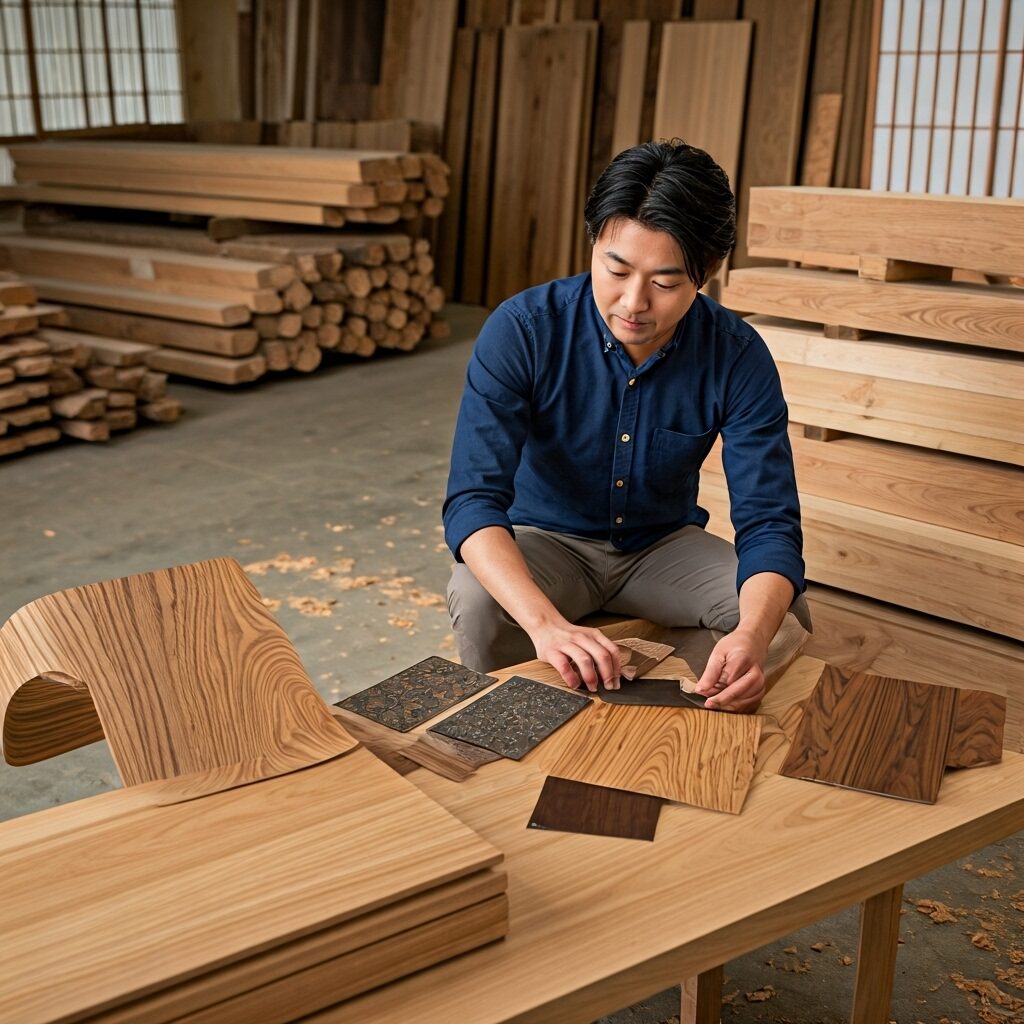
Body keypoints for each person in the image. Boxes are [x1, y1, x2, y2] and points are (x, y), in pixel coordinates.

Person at [442, 139, 810, 713]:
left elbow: (769, 522)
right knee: (476, 596)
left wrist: (752, 638)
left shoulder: (736, 354)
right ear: (593, 244)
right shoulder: (523, 329)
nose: (633, 303)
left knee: (781, 619)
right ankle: (510, 725)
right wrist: (546, 626)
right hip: (546, 540)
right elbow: (472, 502)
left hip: (660, 544)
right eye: (616, 270)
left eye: (665, 283)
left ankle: (687, 719)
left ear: (706, 274)